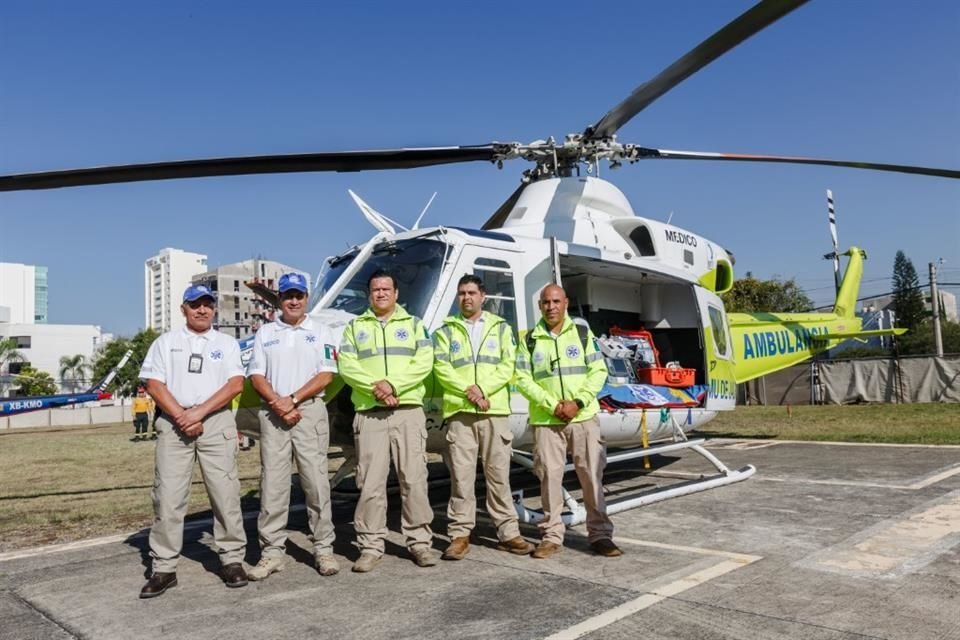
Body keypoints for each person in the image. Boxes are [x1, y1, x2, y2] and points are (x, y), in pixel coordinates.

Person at [137, 284, 248, 598]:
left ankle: (231, 559)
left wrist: (198, 413)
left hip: (215, 421)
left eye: (207, 304)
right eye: (195, 304)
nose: (202, 310)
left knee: (225, 493)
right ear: (183, 309)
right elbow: (153, 383)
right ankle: (164, 567)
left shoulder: (226, 343)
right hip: (174, 424)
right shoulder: (166, 343)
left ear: (214, 308)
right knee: (168, 496)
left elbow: (235, 384)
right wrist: (181, 415)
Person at [337, 269, 436, 572]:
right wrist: (375, 389)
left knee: (414, 478)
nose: (380, 294)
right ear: (370, 295)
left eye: (386, 289)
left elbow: (424, 363)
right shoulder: (355, 327)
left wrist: (393, 386)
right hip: (369, 413)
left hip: (406, 411)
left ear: (396, 293)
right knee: (370, 482)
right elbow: (347, 365)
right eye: (375, 290)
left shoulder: (415, 326)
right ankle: (370, 545)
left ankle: (419, 543)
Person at [514, 284, 621, 559]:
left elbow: (598, 371)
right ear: (540, 306)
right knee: (549, 477)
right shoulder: (530, 339)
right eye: (546, 302)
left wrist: (579, 402)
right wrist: (553, 405)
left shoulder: (583, 334)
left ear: (566, 303)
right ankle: (551, 536)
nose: (551, 307)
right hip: (547, 420)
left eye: (556, 301)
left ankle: (600, 535)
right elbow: (522, 379)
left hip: (583, 417)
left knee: (591, 476)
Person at [245, 272, 340, 580]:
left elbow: (327, 374)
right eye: (288, 296)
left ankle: (323, 549)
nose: (294, 301)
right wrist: (279, 402)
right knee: (272, 484)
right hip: (274, 414)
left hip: (309, 412)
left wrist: (294, 399)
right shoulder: (266, 333)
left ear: (306, 298)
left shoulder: (322, 331)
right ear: (280, 300)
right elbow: (257, 375)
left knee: (315, 482)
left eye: (299, 295)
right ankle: (272, 552)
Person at [432, 274, 533, 560]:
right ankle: (460, 534)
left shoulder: (500, 328)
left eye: (472, 292)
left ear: (483, 296)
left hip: (493, 410)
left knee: (498, 475)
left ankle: (508, 532)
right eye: (462, 293)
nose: (467, 298)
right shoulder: (446, 331)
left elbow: (507, 364)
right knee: (461, 478)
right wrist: (469, 391)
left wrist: (483, 390)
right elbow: (442, 367)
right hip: (462, 412)